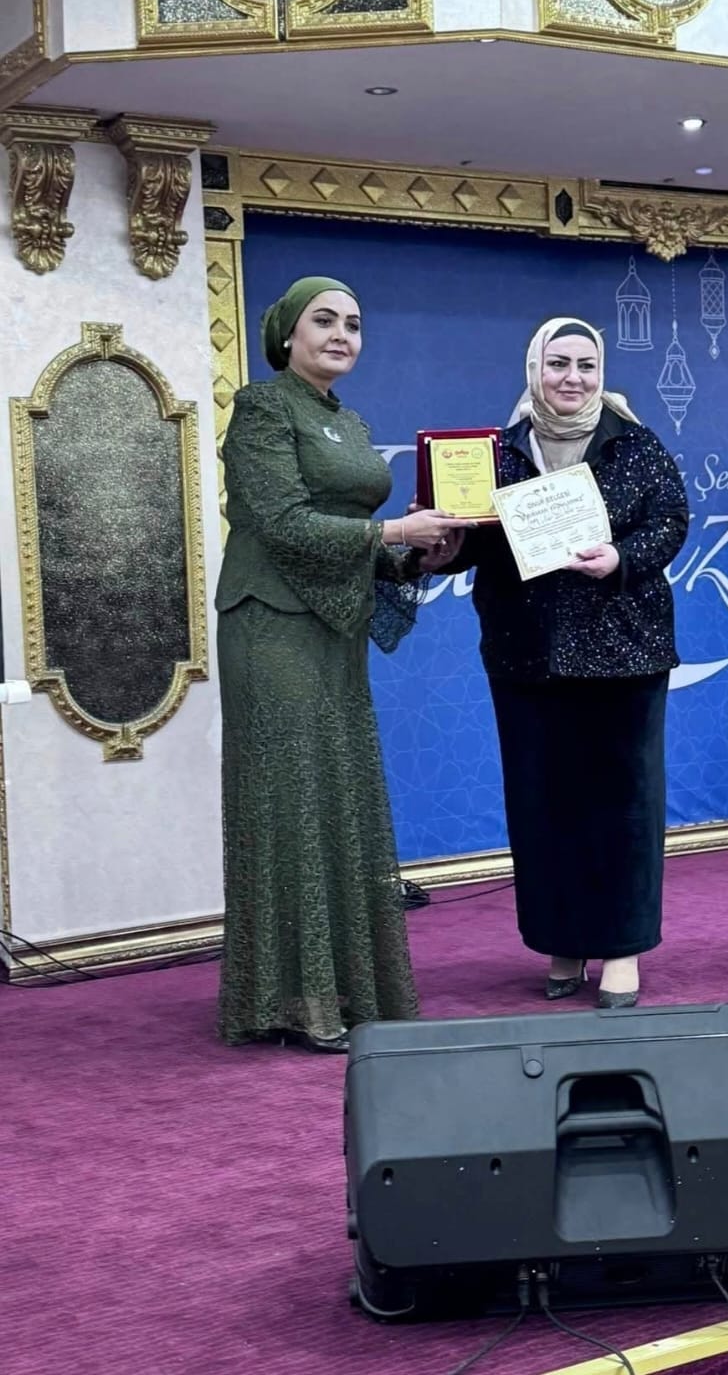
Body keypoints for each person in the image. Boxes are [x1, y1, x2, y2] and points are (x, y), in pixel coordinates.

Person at [215, 276, 464, 1051]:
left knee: (337, 799)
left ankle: (348, 987)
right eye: (323, 320)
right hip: (270, 626)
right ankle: (290, 1000)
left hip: (333, 628)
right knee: (290, 802)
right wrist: (392, 535)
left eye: (353, 324)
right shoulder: (262, 408)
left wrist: (418, 556)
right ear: (287, 334)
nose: (341, 335)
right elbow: (281, 523)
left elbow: (348, 537)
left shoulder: (347, 421)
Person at [448, 316, 689, 1006]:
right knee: (543, 808)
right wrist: (440, 542)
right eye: (558, 364)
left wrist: (621, 557)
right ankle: (562, 943)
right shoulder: (496, 452)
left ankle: (622, 948)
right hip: (526, 655)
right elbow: (473, 542)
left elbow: (671, 521)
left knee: (623, 808)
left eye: (585, 365)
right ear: (534, 370)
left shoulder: (634, 443)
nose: (572, 378)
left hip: (624, 655)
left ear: (601, 372)